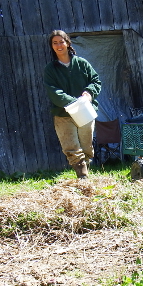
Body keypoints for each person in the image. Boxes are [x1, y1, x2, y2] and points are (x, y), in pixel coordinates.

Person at [43, 30, 102, 179]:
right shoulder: (50, 70)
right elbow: (53, 91)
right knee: (72, 148)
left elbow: (95, 81)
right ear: (52, 46)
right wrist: (73, 102)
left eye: (61, 41)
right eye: (54, 43)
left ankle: (86, 174)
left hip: (85, 112)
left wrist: (88, 94)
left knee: (86, 146)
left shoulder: (82, 63)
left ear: (68, 43)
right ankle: (82, 177)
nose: (58, 45)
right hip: (63, 114)